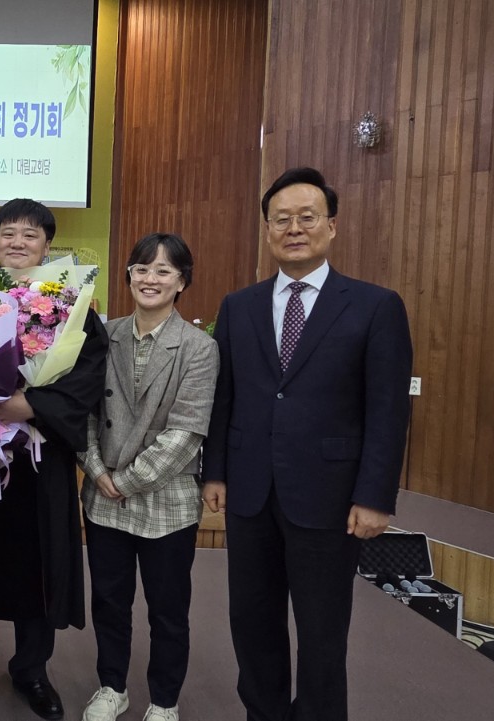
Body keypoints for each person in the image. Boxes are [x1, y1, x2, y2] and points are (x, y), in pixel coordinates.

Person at [202, 167, 413, 721]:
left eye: (306, 217)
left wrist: (375, 496)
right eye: (281, 219)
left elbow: (388, 411)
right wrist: (215, 470)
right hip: (250, 492)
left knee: (322, 631)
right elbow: (225, 397)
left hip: (330, 495)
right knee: (252, 622)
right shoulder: (238, 305)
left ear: (331, 226)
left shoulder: (374, 305)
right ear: (268, 230)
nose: (294, 228)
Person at [0, 199, 107, 720]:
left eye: (30, 235)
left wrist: (28, 406)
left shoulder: (70, 302)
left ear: (47, 245)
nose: (17, 242)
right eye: (8, 233)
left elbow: (88, 373)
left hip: (38, 456)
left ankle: (32, 668)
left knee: (40, 560)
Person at [77, 234, 218, 721]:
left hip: (166, 499)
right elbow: (82, 412)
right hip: (103, 497)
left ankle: (164, 700)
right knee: (109, 602)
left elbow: (187, 431)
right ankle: (112, 687)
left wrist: (126, 481)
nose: (150, 278)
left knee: (168, 609)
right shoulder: (104, 335)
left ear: (182, 281)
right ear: (129, 275)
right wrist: (97, 471)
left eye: (163, 271)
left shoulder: (199, 348)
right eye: (141, 268)